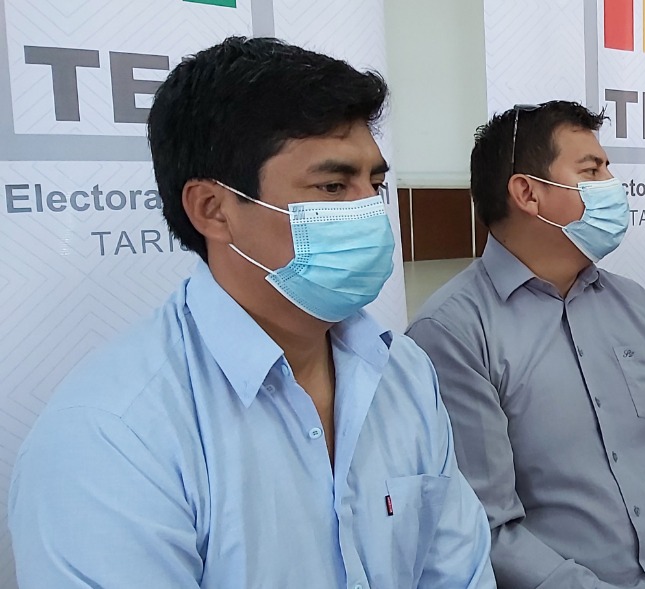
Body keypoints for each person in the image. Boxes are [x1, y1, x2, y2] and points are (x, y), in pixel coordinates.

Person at [7, 37, 495, 588]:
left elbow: (457, 571)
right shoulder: (111, 435)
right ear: (213, 210)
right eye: (333, 186)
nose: (368, 210)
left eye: (375, 185)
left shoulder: (402, 370)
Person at [406, 101, 645, 589]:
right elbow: (486, 527)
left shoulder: (636, 306)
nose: (613, 184)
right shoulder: (454, 332)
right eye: (592, 170)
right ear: (528, 193)